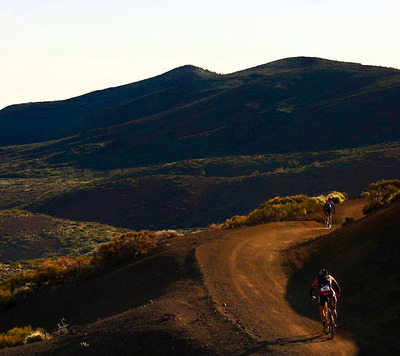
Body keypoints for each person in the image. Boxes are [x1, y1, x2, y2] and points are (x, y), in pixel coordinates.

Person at [310, 268, 341, 333]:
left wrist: (312, 296)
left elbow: (312, 288)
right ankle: (334, 308)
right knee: (334, 295)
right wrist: (338, 293)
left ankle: (324, 326)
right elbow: (336, 285)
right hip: (330, 291)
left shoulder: (317, 279)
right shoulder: (330, 277)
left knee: (321, 310)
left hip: (322, 294)